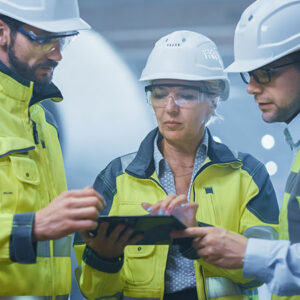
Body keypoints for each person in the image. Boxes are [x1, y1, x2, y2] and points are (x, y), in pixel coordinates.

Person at [74, 30, 279, 300]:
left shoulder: (247, 175)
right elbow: (93, 291)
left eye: (185, 95)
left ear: (213, 100)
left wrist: (195, 237)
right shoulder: (116, 177)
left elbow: (262, 268)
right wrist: (104, 258)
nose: (170, 108)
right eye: (159, 94)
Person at [172, 0, 300, 298]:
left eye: (265, 72)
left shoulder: (248, 173)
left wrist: (251, 253)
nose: (252, 87)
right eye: (249, 75)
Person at [0, 0, 105, 298]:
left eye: (61, 41)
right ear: (2, 33)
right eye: (43, 38)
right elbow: (38, 226)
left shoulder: (43, 122)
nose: (57, 54)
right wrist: (31, 227)